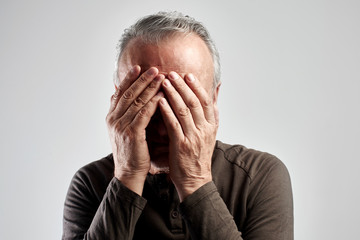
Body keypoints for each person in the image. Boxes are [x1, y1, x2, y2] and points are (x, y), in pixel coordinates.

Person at [62, 11, 293, 240]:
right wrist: (128, 176)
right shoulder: (90, 183)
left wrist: (195, 181)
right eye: (145, 103)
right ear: (118, 99)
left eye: (180, 102)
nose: (163, 130)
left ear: (213, 98)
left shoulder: (258, 176)